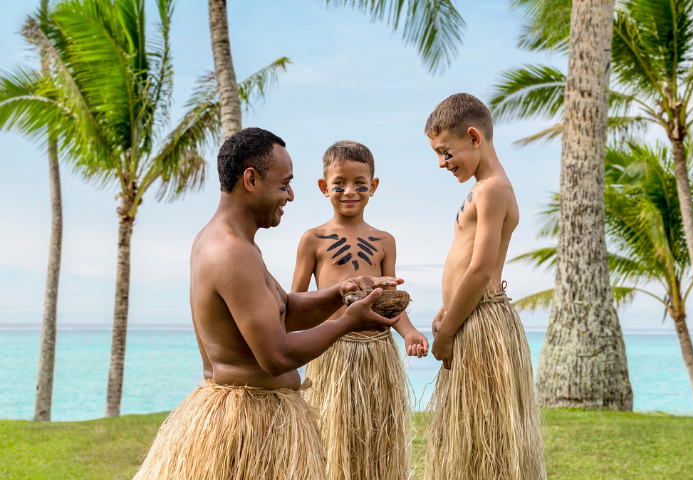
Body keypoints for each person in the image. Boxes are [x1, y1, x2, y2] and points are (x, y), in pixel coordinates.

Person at [132, 128, 401, 480]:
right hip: (246, 428)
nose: (290, 195)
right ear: (251, 179)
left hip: (258, 417)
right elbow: (275, 357)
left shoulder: (233, 243)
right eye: (284, 183)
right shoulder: (231, 253)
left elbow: (285, 309)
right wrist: (348, 322)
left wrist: (342, 291)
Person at [423, 93, 546, 480]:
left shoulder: (492, 189)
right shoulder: (482, 188)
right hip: (466, 316)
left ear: (474, 138)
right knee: (468, 440)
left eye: (446, 152)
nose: (442, 164)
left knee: (485, 441)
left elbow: (479, 270)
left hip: (478, 321)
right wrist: (446, 311)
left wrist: (446, 337)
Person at [291, 140, 428, 480]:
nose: (349, 191)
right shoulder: (314, 239)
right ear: (325, 187)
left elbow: (391, 302)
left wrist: (409, 331)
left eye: (359, 184)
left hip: (377, 355)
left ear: (373, 187)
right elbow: (295, 301)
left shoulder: (385, 241)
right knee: (330, 443)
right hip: (332, 353)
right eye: (339, 184)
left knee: (375, 443)